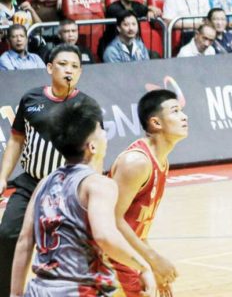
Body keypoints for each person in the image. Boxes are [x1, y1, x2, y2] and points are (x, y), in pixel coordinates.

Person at [10, 98, 156, 297]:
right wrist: (143, 266)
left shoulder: (44, 183)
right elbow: (105, 237)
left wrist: (16, 293)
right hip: (79, 291)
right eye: (101, 131)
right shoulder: (98, 184)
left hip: (39, 290)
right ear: (92, 147)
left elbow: (24, 241)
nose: (106, 135)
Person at [0, 44, 96, 296]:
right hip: (29, 184)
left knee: (67, 249)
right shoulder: (31, 99)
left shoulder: (86, 106)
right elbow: (16, 140)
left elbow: (95, 153)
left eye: (75, 66)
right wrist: (2, 176)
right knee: (7, 234)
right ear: (50, 68)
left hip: (65, 191)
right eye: (63, 64)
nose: (69, 70)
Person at [110, 89, 188, 296]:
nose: (184, 116)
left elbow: (137, 228)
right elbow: (112, 221)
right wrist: (152, 260)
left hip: (127, 258)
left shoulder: (161, 161)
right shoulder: (136, 162)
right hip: (106, 262)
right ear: (156, 123)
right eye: (175, 111)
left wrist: (151, 265)